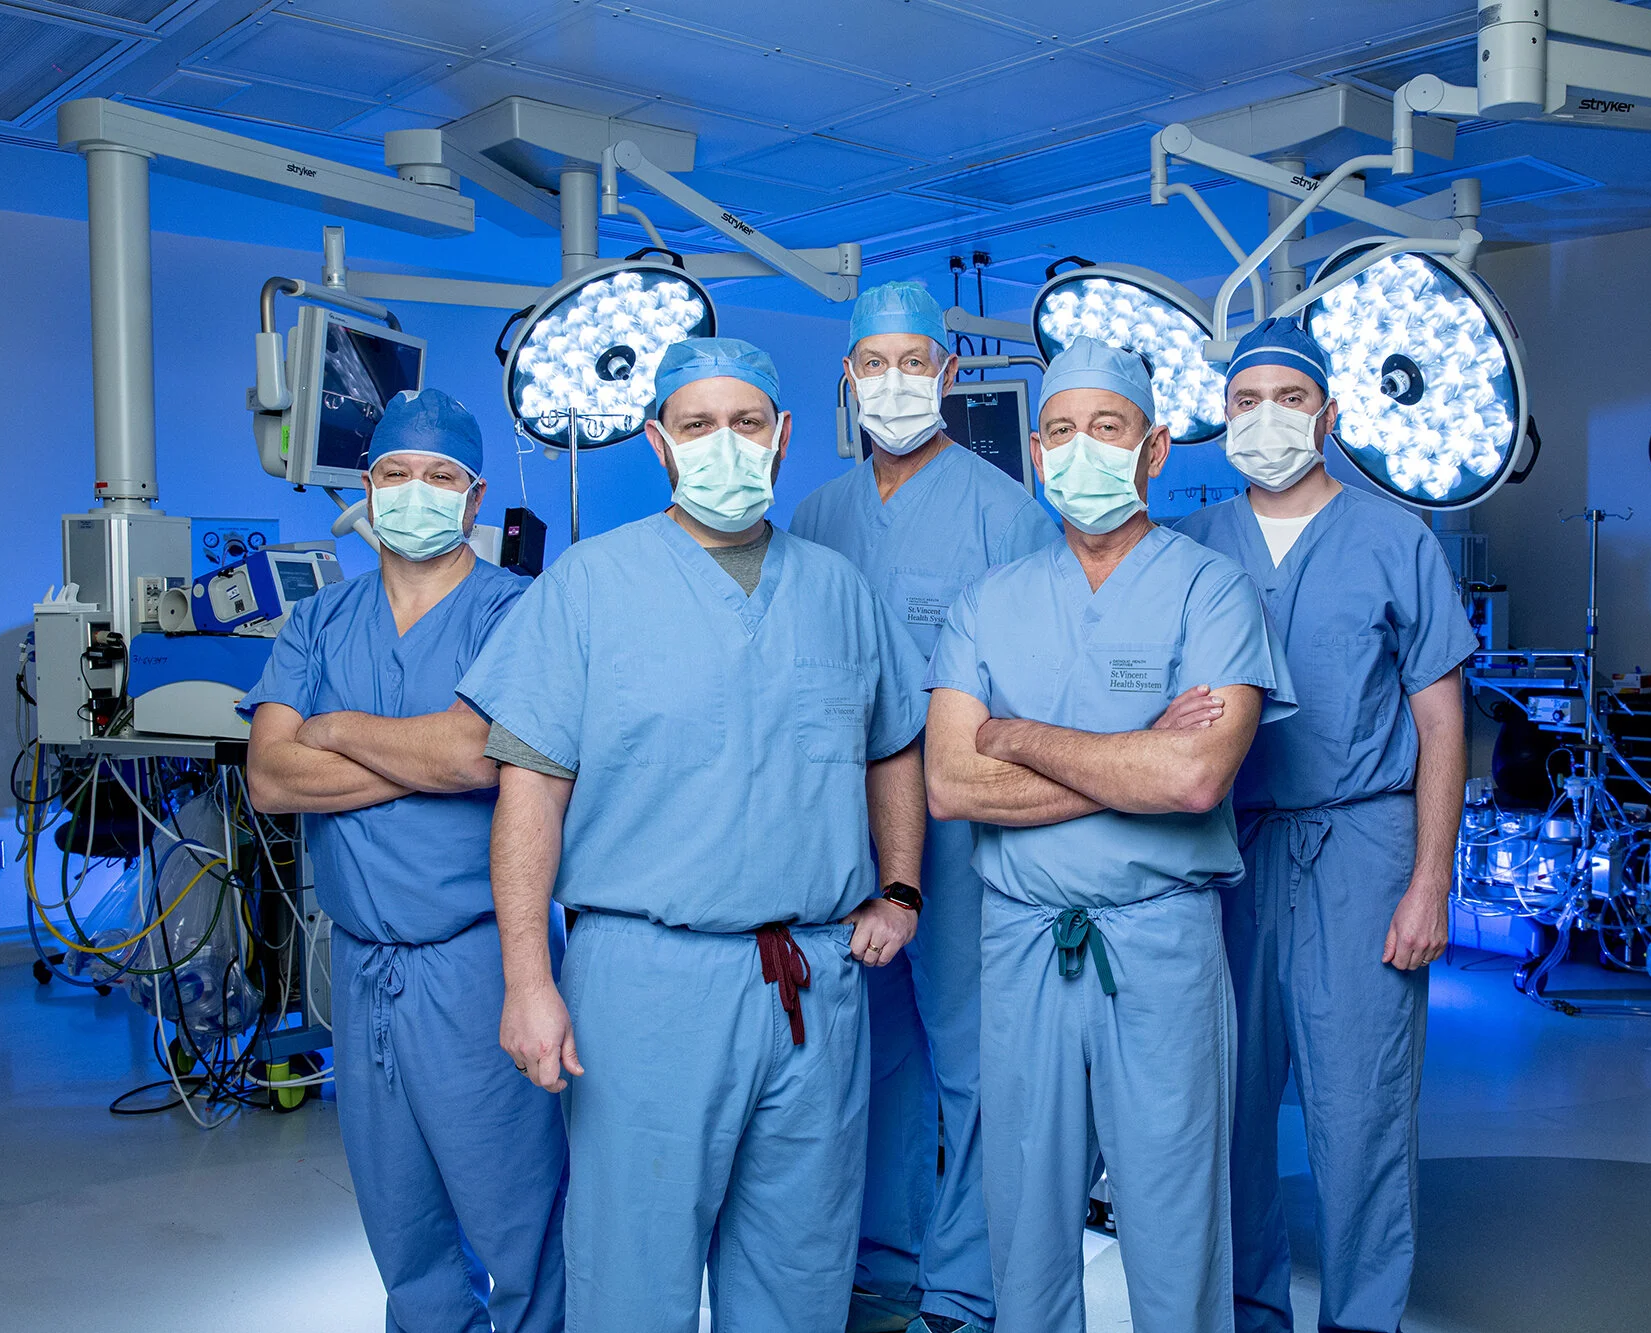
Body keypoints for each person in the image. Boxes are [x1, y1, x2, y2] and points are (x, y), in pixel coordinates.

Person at [456, 336, 932, 1333]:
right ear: (658, 443)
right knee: (633, 1270)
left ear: (784, 436)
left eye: (747, 423)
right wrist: (527, 979)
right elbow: (529, 796)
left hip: (810, 979)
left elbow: (891, 744)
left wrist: (898, 888)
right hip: (646, 981)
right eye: (698, 424)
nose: (726, 444)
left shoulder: (838, 592)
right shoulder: (590, 587)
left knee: (801, 1268)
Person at [922, 337, 1295, 1333]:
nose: (1077, 450)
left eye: (1106, 427)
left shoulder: (1210, 591)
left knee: (1174, 1208)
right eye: (1057, 432)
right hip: (1021, 940)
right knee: (1024, 1210)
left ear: (1155, 448)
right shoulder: (985, 605)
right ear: (1033, 454)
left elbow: (1194, 774)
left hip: (1158, 941)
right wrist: (1129, 759)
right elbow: (952, 783)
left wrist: (1018, 736)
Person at [1174, 320, 1476, 1333]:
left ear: (1329, 414)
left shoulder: (1396, 539)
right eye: (1245, 400)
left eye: (1288, 398)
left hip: (1363, 843)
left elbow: (1440, 721)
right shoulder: (1191, 544)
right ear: (1221, 421)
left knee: (1360, 1107)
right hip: (1225, 852)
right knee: (1229, 1102)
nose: (1267, 418)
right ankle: (1250, 1308)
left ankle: (1359, 1315)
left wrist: (1430, 880)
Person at [243, 388, 565, 1333]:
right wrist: (424, 754)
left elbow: (479, 752)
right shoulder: (317, 622)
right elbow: (268, 775)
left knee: (520, 1218)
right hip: (362, 962)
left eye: (439, 478)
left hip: (473, 958)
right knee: (404, 1227)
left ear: (473, 501)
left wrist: (335, 731)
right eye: (395, 475)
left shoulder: (515, 611)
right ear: (366, 489)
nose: (414, 493)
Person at [794, 280, 1055, 1333]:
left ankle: (962, 1284)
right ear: (847, 380)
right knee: (869, 1054)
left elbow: (1031, 696)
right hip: (834, 829)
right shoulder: (815, 515)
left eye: (915, 363)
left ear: (946, 378)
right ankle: (880, 1262)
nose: (894, 383)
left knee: (970, 1058)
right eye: (874, 364)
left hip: (959, 834)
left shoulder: (1005, 516)